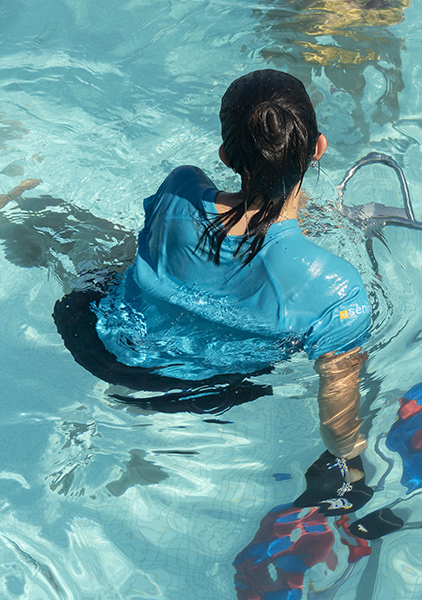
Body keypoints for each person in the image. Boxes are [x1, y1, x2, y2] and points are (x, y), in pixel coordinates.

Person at [64, 69, 374, 511]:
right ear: (318, 149)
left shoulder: (179, 190)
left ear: (226, 155)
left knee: (98, 248)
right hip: (201, 395)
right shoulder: (336, 288)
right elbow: (339, 419)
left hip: (97, 345)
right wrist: (354, 468)